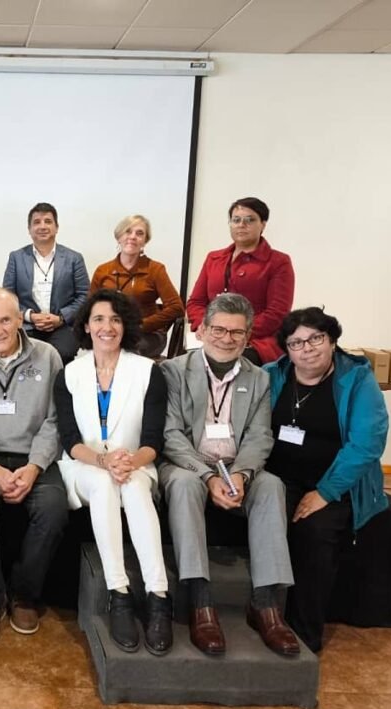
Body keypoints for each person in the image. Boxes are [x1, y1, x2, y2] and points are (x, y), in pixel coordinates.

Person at [159, 292, 299, 657]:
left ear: (248, 336)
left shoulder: (259, 378)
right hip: (187, 463)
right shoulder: (173, 370)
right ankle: (200, 602)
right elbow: (171, 435)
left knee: (271, 486)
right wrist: (207, 477)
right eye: (219, 330)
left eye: (237, 333)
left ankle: (266, 604)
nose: (227, 338)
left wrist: (241, 475)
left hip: (236, 465)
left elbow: (259, 434)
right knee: (186, 484)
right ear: (202, 331)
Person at [53, 289, 172, 654]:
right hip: (85, 466)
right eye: (99, 319)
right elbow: (71, 439)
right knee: (105, 486)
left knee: (134, 489)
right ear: (86, 326)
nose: (108, 326)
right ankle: (118, 592)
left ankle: (158, 596)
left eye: (116, 319)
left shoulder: (148, 371)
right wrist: (105, 462)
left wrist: (128, 462)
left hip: (135, 464)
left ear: (126, 326)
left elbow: (154, 440)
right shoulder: (69, 374)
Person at [264, 307, 389, 652]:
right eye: (296, 342)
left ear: (332, 340)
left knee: (315, 533)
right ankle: (267, 620)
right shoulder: (271, 375)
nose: (308, 348)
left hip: (336, 485)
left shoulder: (358, 380)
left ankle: (304, 634)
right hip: (279, 478)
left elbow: (367, 444)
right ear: (286, 350)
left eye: (316, 338)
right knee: (268, 521)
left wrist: (325, 492)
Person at [0, 288, 69, 645]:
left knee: (52, 509)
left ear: (21, 319)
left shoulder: (48, 356)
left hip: (33, 456)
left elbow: (55, 420)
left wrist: (35, 467)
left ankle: (23, 595)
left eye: (6, 320)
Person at [185, 197, 294, 364]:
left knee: (233, 362)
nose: (241, 225)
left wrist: (236, 332)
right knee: (184, 366)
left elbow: (276, 314)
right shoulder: (214, 258)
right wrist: (207, 328)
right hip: (212, 336)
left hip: (257, 340)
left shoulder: (278, 262)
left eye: (249, 220)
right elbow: (196, 302)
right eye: (236, 220)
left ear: (263, 224)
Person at [3, 202, 89, 364]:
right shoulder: (16, 257)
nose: (42, 226)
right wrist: (30, 316)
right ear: (29, 229)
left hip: (64, 326)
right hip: (27, 326)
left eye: (48, 221)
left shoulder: (74, 258)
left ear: (57, 227)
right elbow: (8, 297)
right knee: (26, 355)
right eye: (37, 222)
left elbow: (84, 296)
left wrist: (61, 318)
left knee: (60, 354)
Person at [89, 214, 183, 358]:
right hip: (110, 331)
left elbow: (176, 307)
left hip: (146, 335)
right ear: (119, 237)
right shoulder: (103, 271)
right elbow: (89, 307)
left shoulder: (155, 269)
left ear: (144, 241)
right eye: (128, 231)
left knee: (125, 350)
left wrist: (142, 325)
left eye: (139, 233)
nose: (132, 237)